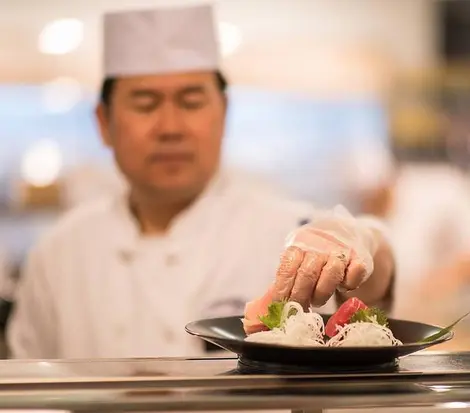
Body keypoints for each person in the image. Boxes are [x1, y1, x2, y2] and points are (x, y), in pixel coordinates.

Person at [6, 4, 395, 359]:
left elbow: (372, 280)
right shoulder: (59, 254)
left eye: (191, 102)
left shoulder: (288, 229)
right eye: (145, 103)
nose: (170, 127)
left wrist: (362, 239)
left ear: (223, 114)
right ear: (104, 123)